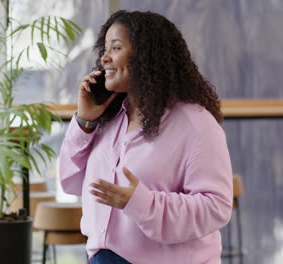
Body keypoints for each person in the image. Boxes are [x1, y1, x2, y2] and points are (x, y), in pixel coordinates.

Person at [58, 10, 233, 264]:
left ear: (145, 56)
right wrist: (85, 122)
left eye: (115, 48)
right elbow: (69, 182)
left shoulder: (196, 124)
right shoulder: (109, 118)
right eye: (104, 48)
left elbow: (216, 207)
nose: (104, 58)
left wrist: (144, 204)